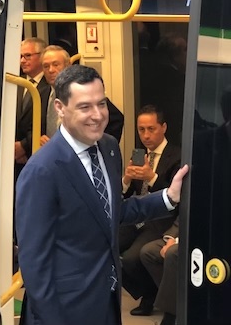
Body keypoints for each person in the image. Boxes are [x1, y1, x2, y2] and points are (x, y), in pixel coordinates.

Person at [15, 65, 189, 325]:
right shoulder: (42, 171)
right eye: (85, 107)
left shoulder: (108, 148)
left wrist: (169, 196)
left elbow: (110, 211)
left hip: (105, 299)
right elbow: (34, 263)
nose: (97, 115)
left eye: (102, 104)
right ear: (60, 108)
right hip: (65, 310)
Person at [119, 105, 180, 316]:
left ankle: (150, 295)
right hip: (136, 216)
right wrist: (127, 178)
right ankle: (147, 291)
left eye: (151, 129)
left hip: (161, 219)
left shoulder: (177, 156)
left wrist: (151, 178)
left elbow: (178, 199)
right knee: (107, 242)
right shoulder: (139, 155)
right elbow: (124, 197)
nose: (145, 135)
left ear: (163, 127)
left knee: (131, 258)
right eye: (141, 129)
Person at [15, 37, 48, 178]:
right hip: (14, 160)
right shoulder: (15, 83)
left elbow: (46, 122)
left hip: (40, 156)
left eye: (27, 56)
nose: (22, 60)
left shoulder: (51, 84)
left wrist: (24, 147)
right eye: (21, 56)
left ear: (42, 57)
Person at [140, 217, 179, 325]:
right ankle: (175, 300)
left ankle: (171, 314)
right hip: (181, 235)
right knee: (148, 252)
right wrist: (171, 240)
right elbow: (180, 221)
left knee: (172, 254)